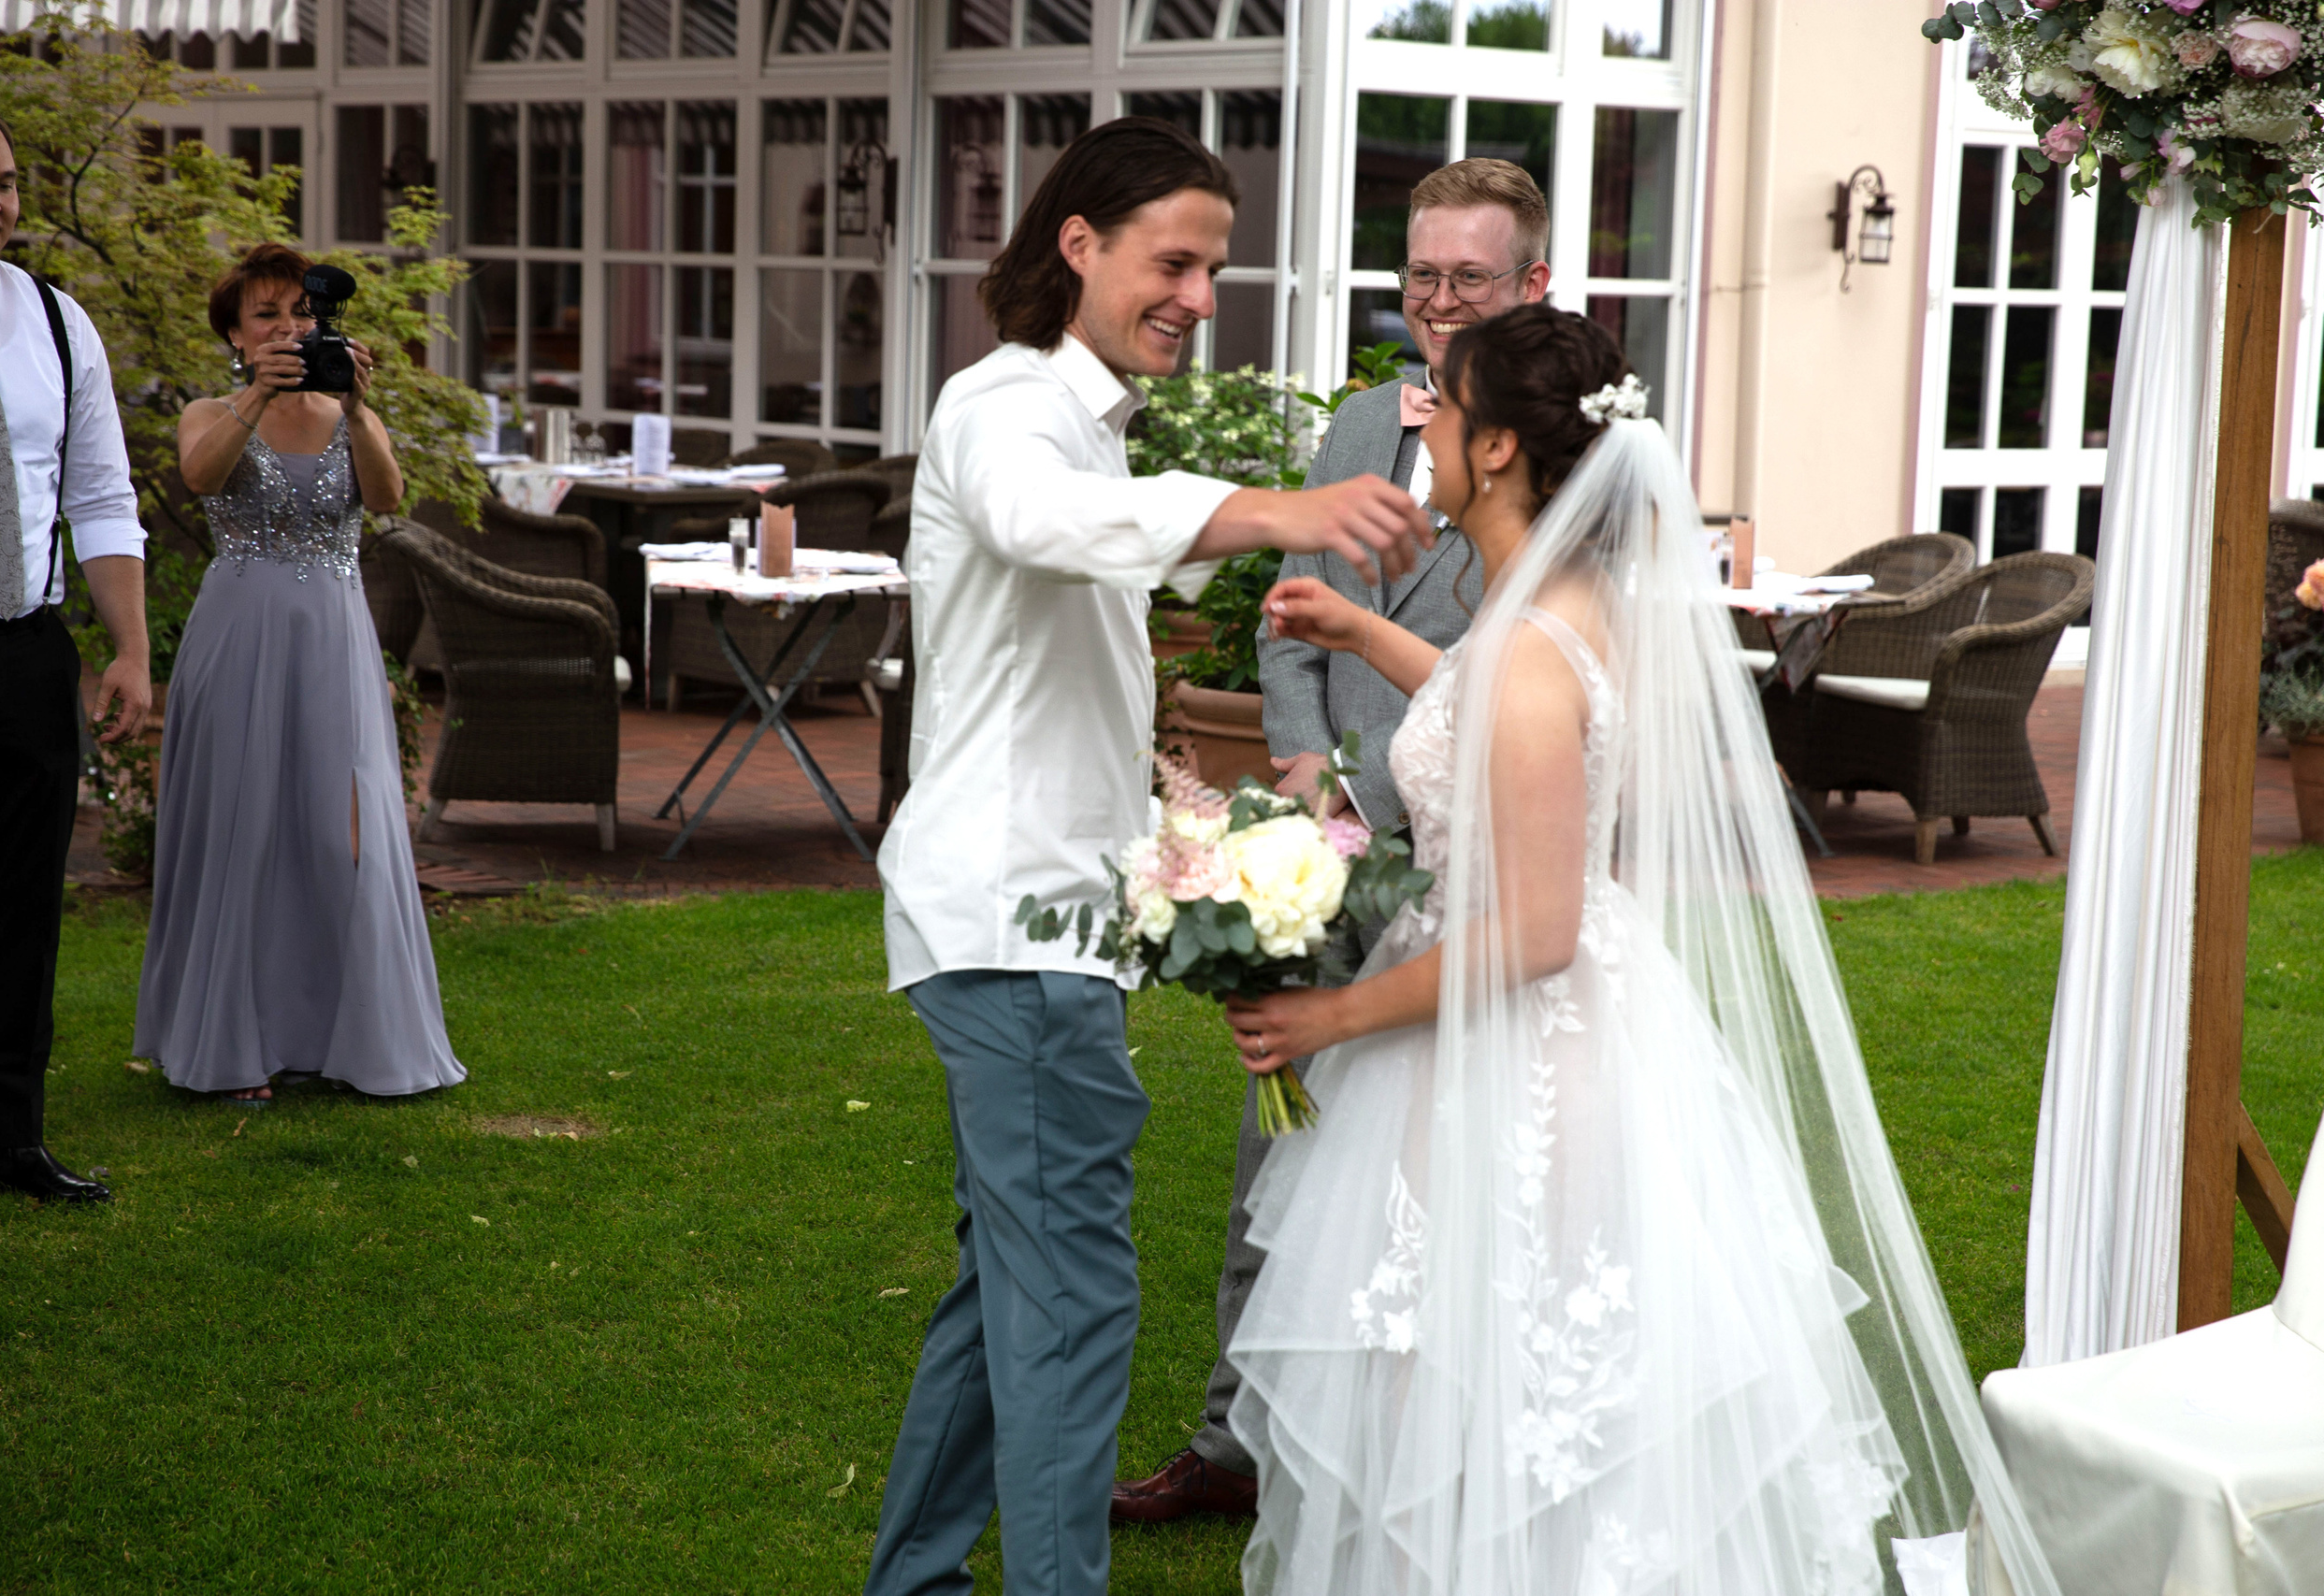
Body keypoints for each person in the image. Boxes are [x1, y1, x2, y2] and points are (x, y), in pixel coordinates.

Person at [1218, 304, 2062, 1592]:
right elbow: (1473, 712)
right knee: (1487, 1367)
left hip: (1519, 1047)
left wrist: (1332, 1018)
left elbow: (1538, 927)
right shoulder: (1552, 605)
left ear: (1497, 447)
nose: (1423, 429)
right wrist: (1366, 633)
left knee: (1499, 1372)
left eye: (1438, 408)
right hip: (1540, 1021)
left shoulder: (1527, 648)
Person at [865, 117, 1433, 1596]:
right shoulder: (1003, 407)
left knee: (1008, 1290)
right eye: (1172, 260)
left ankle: (915, 1577)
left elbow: (1084, 595)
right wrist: (1277, 507)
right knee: (1072, 1305)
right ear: (1081, 244)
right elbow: (1048, 523)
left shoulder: (1085, 419)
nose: (1196, 293)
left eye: (1214, 268)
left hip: (1041, 921)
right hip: (1011, 928)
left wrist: (1181, 821)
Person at [1115, 155, 1553, 1525]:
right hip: (1330, 838)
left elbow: (1533, 676)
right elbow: (1286, 611)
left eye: (1466, 280)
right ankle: (1236, 1437)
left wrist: (1399, 785)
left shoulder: (1569, 450)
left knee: (1452, 1171)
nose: (1436, 303)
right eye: (1420, 277)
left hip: (1471, 855)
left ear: (1531, 283)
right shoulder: (1363, 421)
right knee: (1280, 1151)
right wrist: (1303, 765)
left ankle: (1426, 1444)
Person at [132, 243, 464, 1102]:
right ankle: (234, 1048)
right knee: (246, 830)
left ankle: (344, 1038)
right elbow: (200, 476)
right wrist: (256, 396)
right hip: (240, 633)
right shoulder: (211, 408)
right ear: (236, 335)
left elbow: (387, 499)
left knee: (339, 832)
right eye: (268, 316)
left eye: (300, 314)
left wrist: (354, 406)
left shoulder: (344, 405)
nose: (290, 328)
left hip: (335, 636)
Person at [0, 98, 149, 1203]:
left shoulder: (60, 325)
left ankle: (11, 1144)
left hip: (25, 654)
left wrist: (129, 648)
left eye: (4, 182)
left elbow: (103, 495)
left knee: (23, 906)